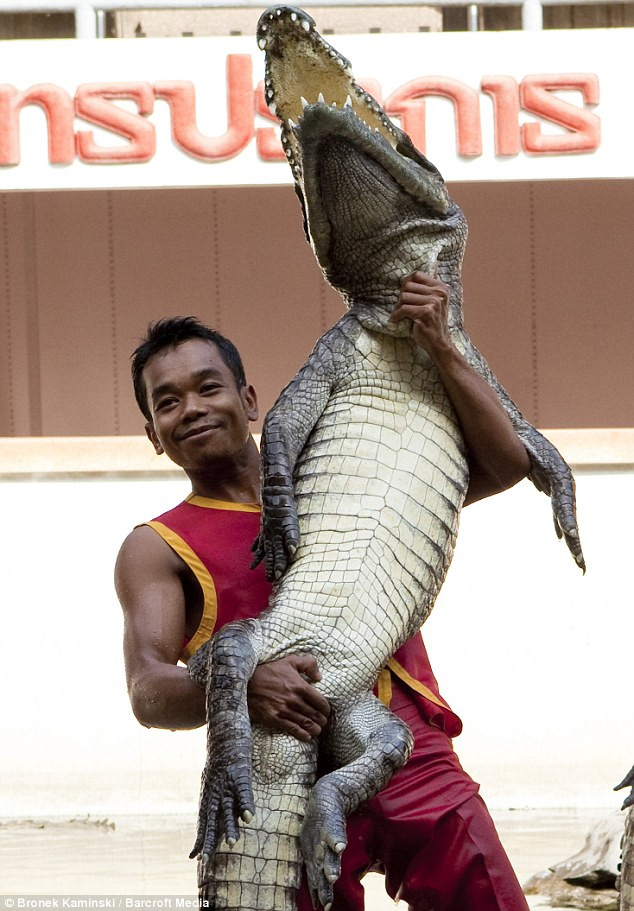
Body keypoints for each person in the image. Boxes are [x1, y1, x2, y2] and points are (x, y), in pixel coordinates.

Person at [116, 271, 532, 911]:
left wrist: (443, 344)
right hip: (276, 768)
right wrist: (246, 686)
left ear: (250, 400)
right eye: (166, 403)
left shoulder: (343, 475)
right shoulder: (157, 546)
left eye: (208, 387)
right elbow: (147, 689)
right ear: (153, 434)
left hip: (400, 736)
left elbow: (505, 465)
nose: (192, 408)